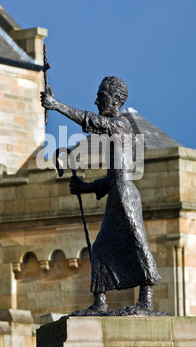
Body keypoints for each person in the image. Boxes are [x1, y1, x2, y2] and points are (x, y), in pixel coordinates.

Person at [41, 76, 161, 314]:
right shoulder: (116, 133)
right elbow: (112, 178)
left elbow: (90, 120)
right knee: (101, 248)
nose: (96, 101)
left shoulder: (121, 125)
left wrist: (56, 105)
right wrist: (86, 187)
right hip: (118, 193)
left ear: (117, 100)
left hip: (125, 195)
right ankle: (100, 302)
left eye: (101, 96)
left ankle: (146, 301)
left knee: (137, 243)